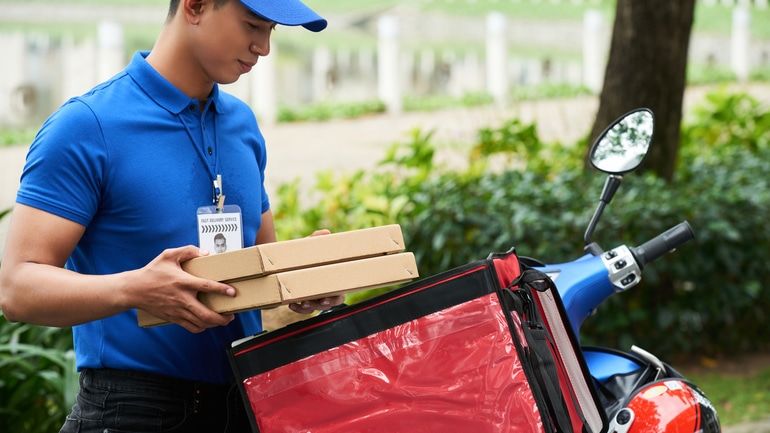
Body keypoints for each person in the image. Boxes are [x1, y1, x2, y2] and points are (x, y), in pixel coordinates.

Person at [0, 1, 343, 432]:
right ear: (195, 6)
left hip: (246, 400)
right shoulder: (87, 125)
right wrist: (136, 289)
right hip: (131, 410)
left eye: (271, 30)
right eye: (253, 25)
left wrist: (305, 281)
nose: (264, 47)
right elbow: (17, 288)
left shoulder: (242, 124)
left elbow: (260, 265)